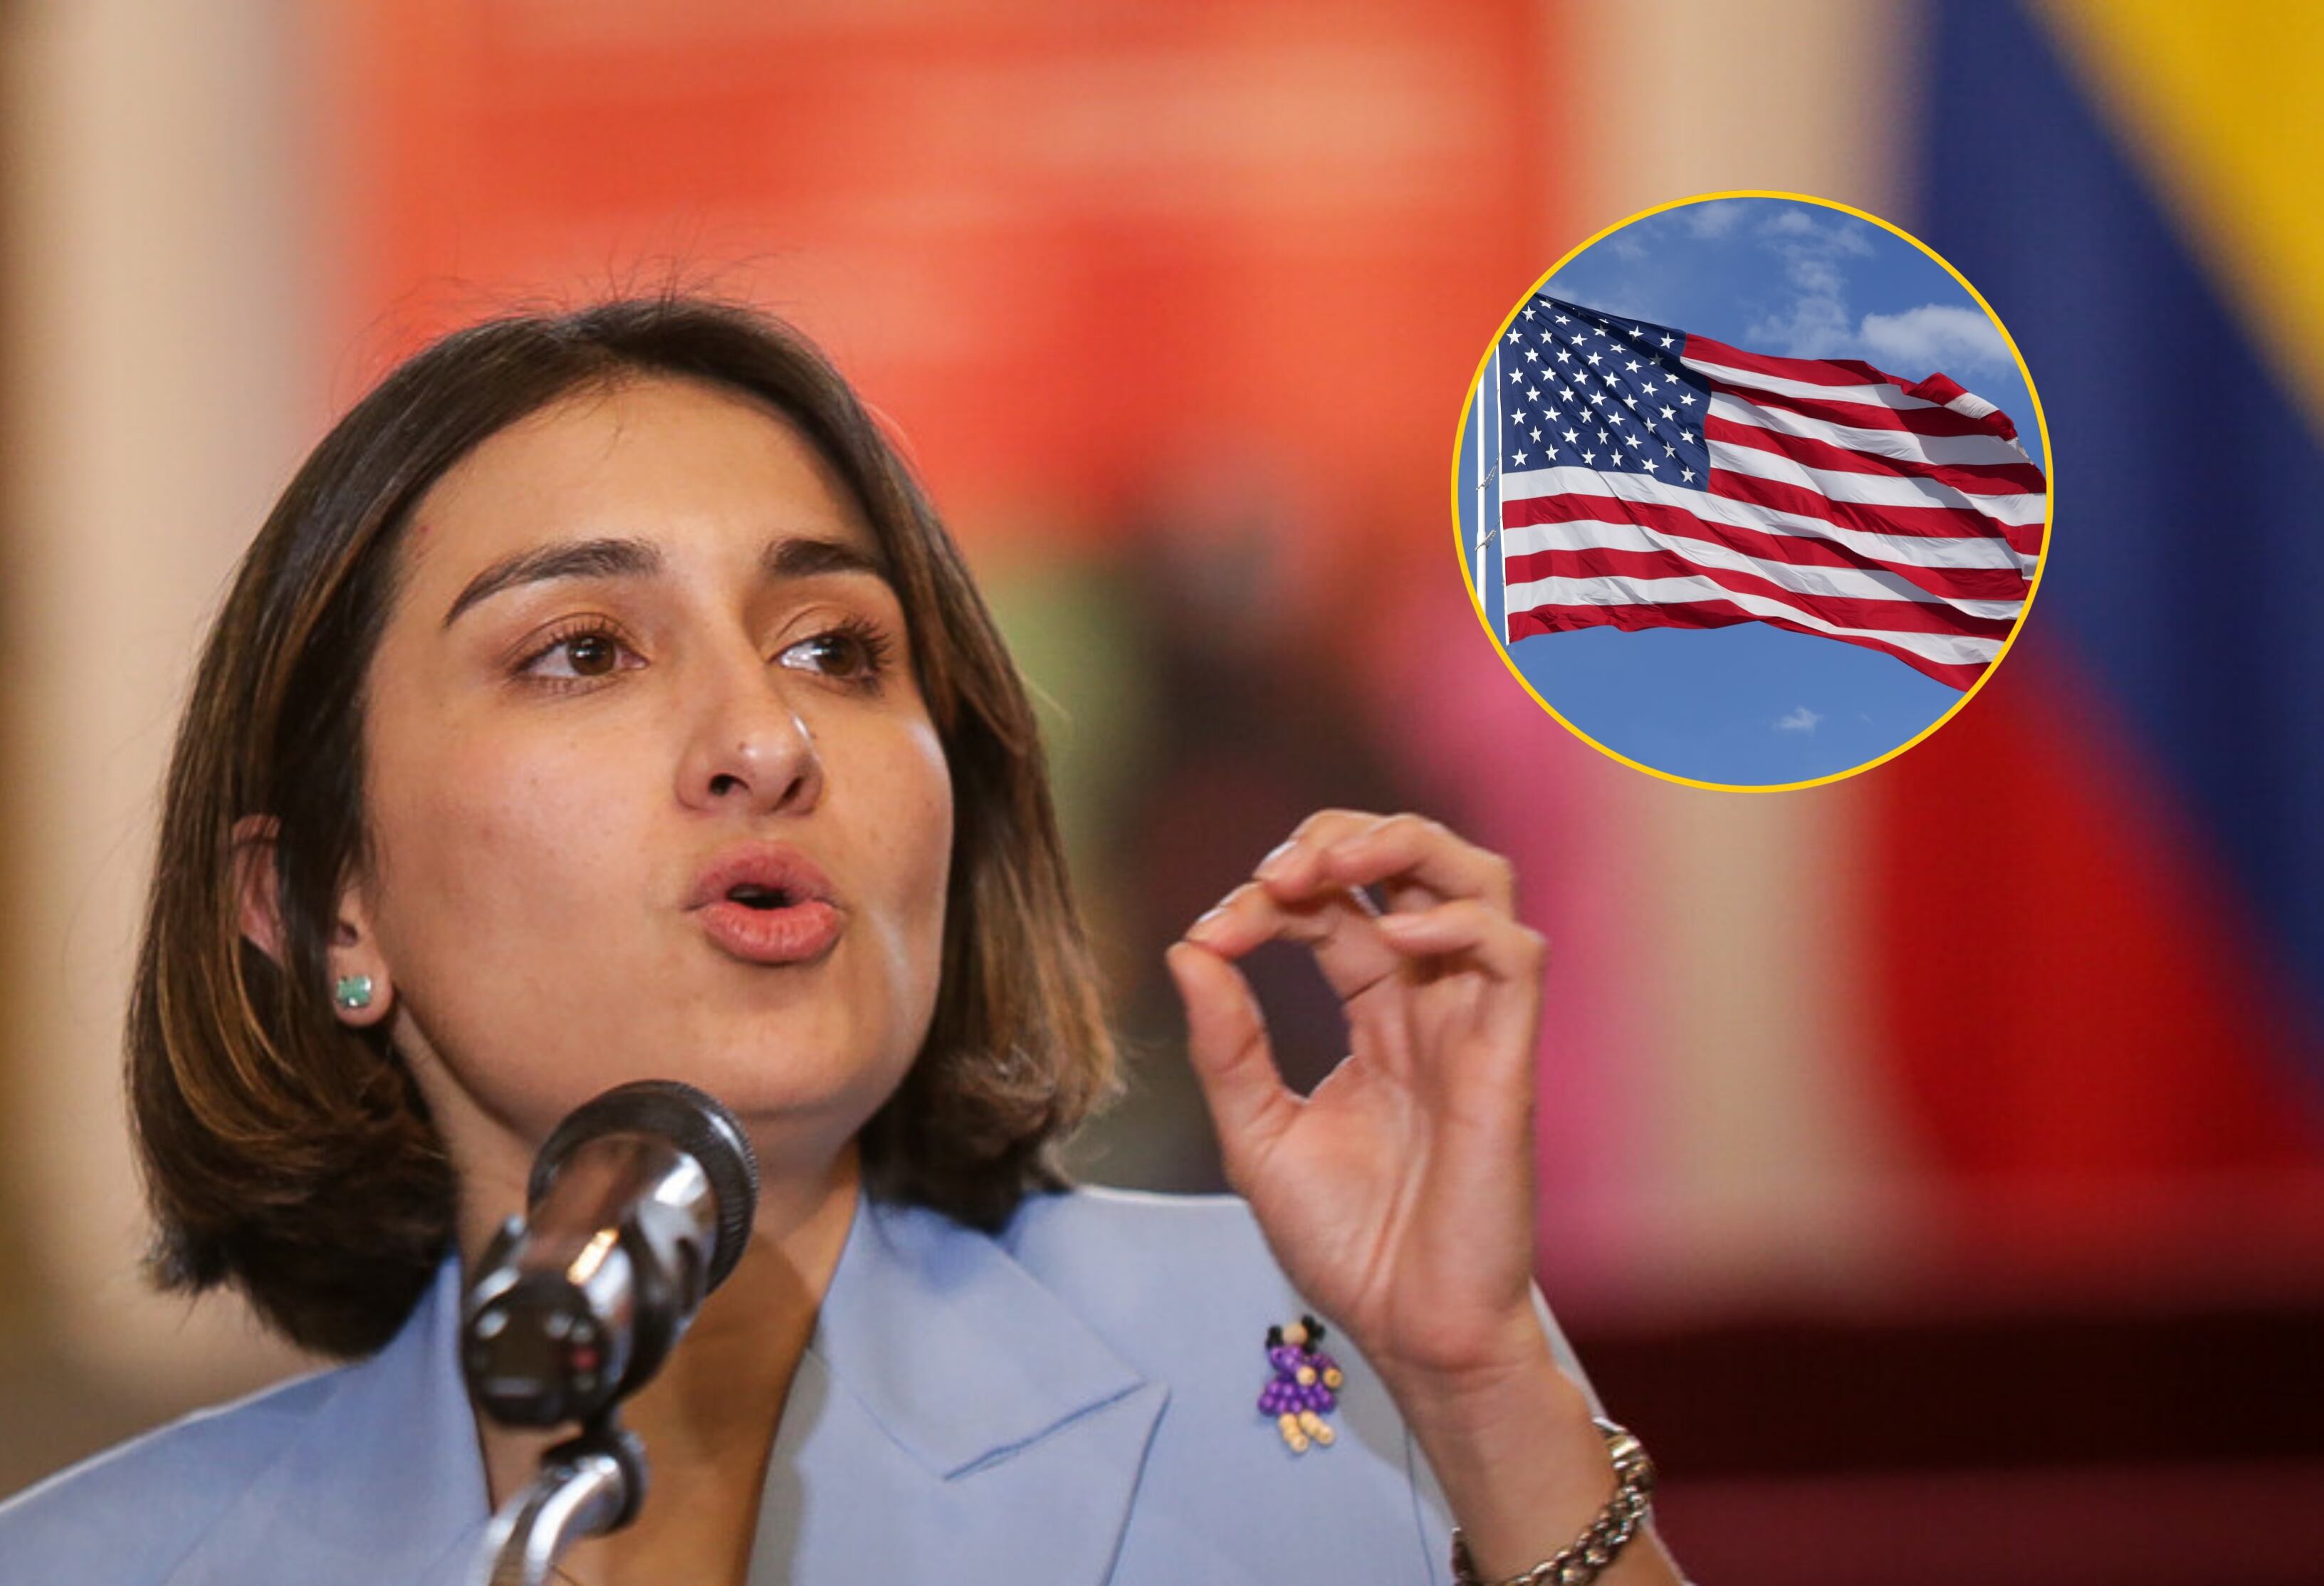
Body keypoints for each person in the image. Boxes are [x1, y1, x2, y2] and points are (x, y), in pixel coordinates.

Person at [0, 298, 1682, 1586]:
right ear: (316, 907)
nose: (764, 735)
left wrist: (1482, 1401)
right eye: (584, 650)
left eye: (836, 649)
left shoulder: (1305, 1362)